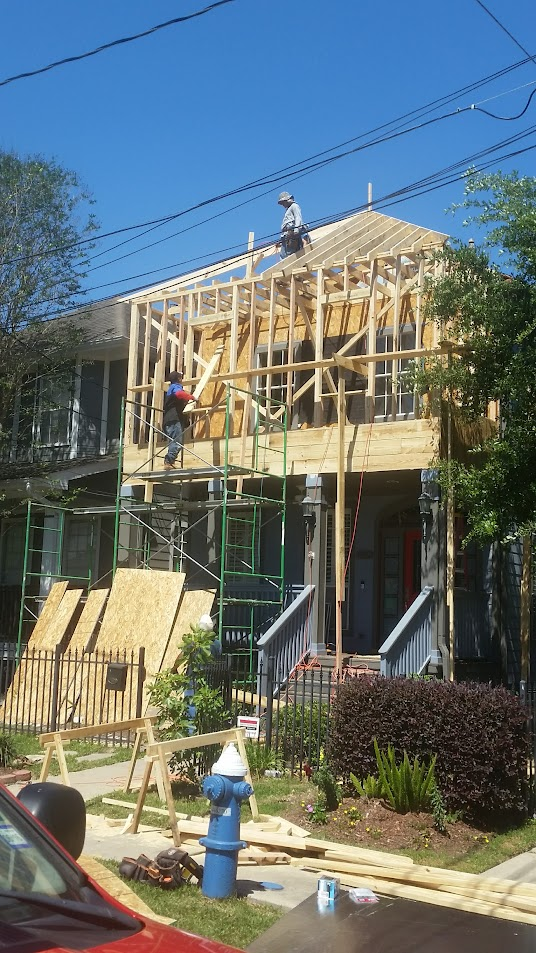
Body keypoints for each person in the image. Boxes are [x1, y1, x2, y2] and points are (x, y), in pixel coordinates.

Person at [163, 371, 196, 470]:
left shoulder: (171, 388)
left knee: (174, 442)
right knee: (176, 442)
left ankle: (169, 461)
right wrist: (190, 397)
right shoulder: (175, 387)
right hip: (173, 419)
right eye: (181, 378)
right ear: (178, 379)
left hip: (170, 419)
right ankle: (168, 461)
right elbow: (179, 394)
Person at [276, 191, 310, 258]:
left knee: (290, 252)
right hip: (287, 234)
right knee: (284, 255)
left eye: (283, 202)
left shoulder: (294, 206)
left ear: (287, 200)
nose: (283, 205)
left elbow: (298, 217)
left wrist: (296, 229)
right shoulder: (288, 209)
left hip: (292, 231)